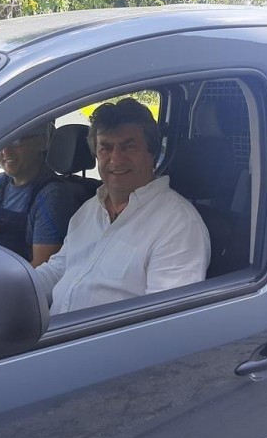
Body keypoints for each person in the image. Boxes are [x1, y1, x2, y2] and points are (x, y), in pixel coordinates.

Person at [35, 98, 210, 314]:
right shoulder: (90, 209)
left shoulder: (178, 224)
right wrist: (13, 289)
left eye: (128, 147)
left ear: (152, 152)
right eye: (105, 148)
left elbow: (166, 320)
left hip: (99, 336)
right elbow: (57, 270)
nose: (116, 159)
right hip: (51, 329)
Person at [0, 122, 79, 267]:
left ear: (41, 142)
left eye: (15, 141)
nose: (5, 151)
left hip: (12, 279)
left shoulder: (52, 197)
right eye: (0, 142)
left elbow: (42, 268)